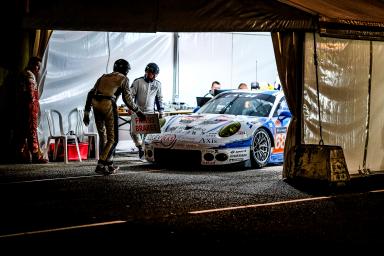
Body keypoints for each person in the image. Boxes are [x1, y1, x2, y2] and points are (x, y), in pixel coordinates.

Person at [83, 59, 145, 175]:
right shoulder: (124, 79)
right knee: (113, 139)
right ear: (126, 70)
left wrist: (86, 113)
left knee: (103, 136)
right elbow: (127, 100)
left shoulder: (103, 76)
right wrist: (138, 111)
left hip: (95, 104)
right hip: (108, 104)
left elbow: (90, 93)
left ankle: (110, 164)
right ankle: (101, 165)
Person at [14, 56, 48, 164]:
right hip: (29, 107)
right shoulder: (30, 75)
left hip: (22, 106)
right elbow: (30, 94)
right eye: (37, 66)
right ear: (32, 65)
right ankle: (35, 155)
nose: (38, 69)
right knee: (32, 131)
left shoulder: (23, 74)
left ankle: (20, 155)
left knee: (22, 131)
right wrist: (33, 105)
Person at [130, 62, 164, 159]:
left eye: (154, 74)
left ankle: (145, 152)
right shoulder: (137, 82)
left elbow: (159, 99)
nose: (152, 75)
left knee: (148, 134)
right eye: (150, 73)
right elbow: (130, 95)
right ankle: (140, 147)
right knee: (133, 132)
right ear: (146, 72)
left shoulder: (158, 84)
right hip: (137, 111)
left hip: (150, 112)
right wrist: (130, 108)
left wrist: (161, 111)